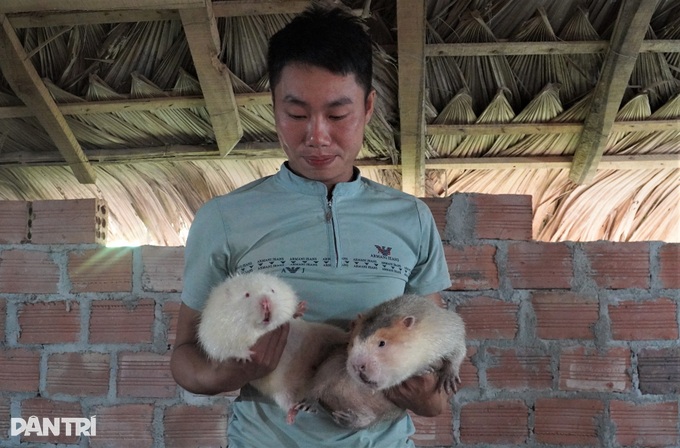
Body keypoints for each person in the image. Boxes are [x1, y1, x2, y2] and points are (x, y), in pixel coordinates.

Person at [170, 4, 453, 447]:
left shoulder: (410, 218)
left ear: (369, 106)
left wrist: (423, 395)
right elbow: (184, 357)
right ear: (274, 109)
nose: (317, 135)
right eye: (297, 114)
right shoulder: (224, 218)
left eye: (337, 115)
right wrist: (236, 369)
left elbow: (436, 389)